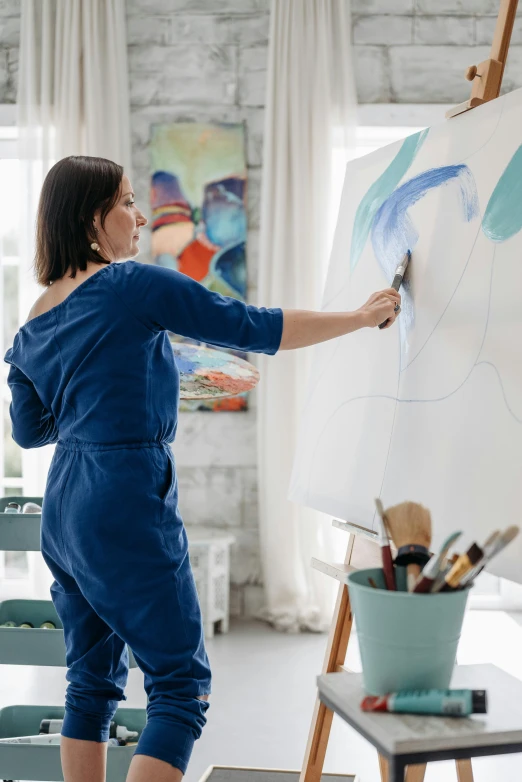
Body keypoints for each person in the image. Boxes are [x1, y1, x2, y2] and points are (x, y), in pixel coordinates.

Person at [3, 156, 401, 782]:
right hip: (124, 495)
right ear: (89, 221)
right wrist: (357, 318)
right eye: (126, 203)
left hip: (66, 504)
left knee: (89, 685)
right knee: (181, 688)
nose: (139, 217)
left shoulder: (34, 318)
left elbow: (30, 431)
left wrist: (110, 394)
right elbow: (251, 327)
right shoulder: (133, 285)